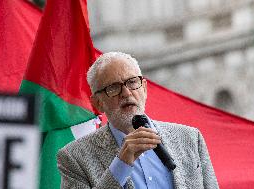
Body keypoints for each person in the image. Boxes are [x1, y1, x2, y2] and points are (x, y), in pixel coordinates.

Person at [57, 52, 219, 189]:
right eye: (113, 88)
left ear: (144, 88)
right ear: (98, 103)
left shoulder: (189, 138)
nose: (126, 93)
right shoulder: (74, 157)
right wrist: (121, 163)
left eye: (132, 82)